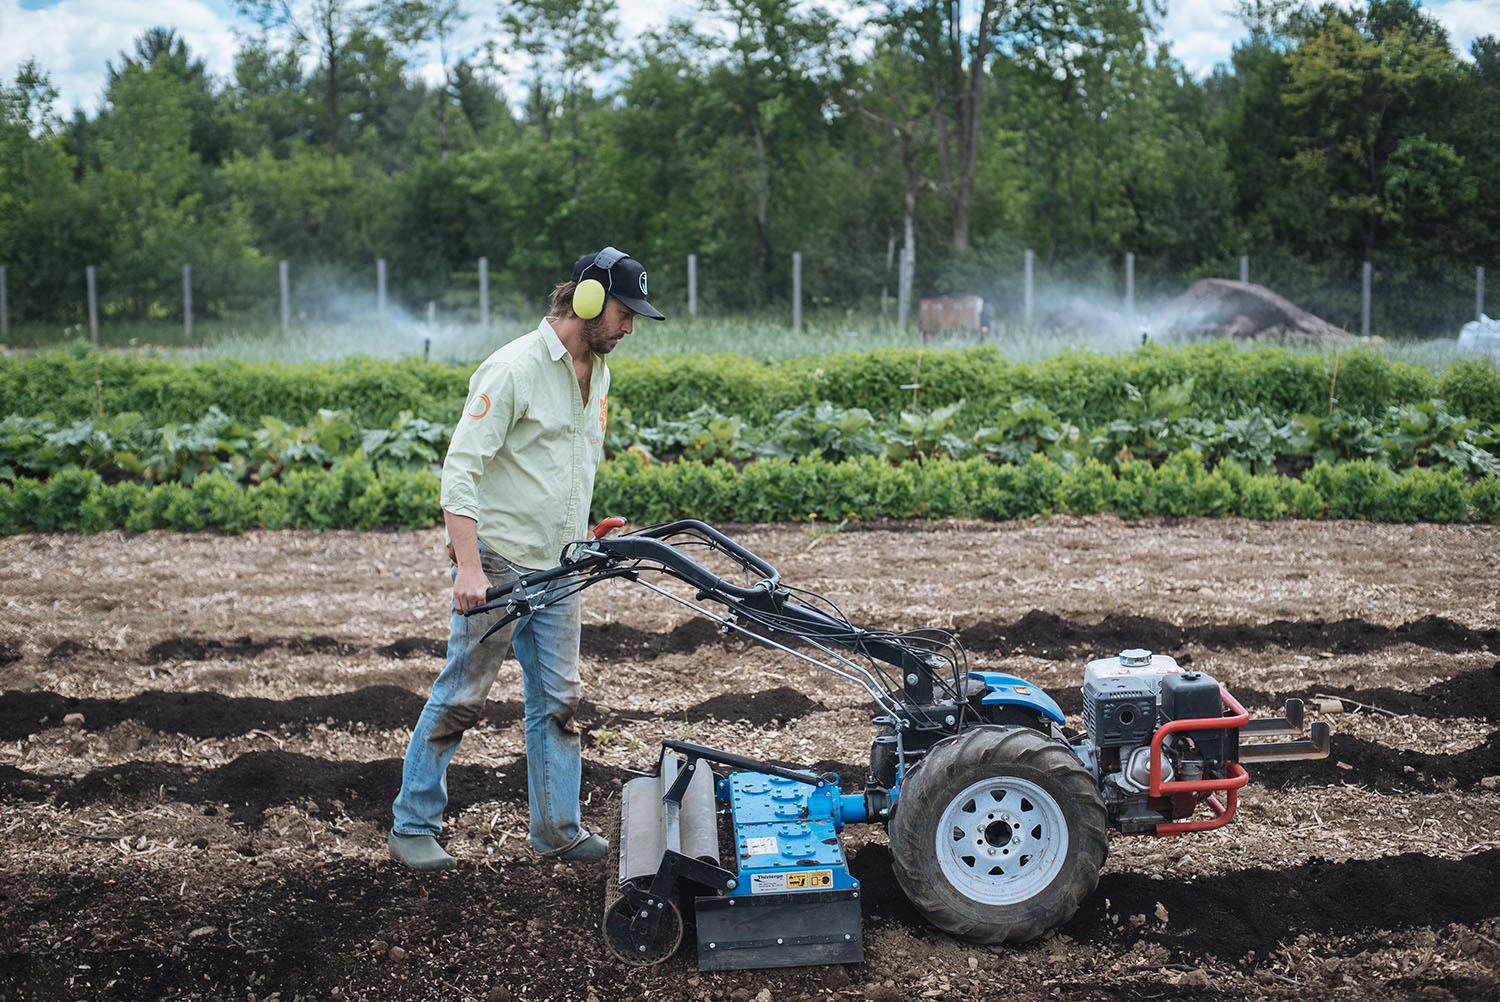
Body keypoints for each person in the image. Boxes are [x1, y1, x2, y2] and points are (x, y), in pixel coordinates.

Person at [389, 247, 665, 870]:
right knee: (464, 691)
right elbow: (462, 470)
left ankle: (557, 831)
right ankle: (412, 824)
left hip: (560, 567)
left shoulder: (599, 370)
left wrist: (582, 530)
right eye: (625, 313)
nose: (629, 328)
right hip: (501, 562)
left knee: (560, 700)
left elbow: (569, 463)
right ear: (589, 300)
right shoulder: (511, 368)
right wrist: (467, 565)